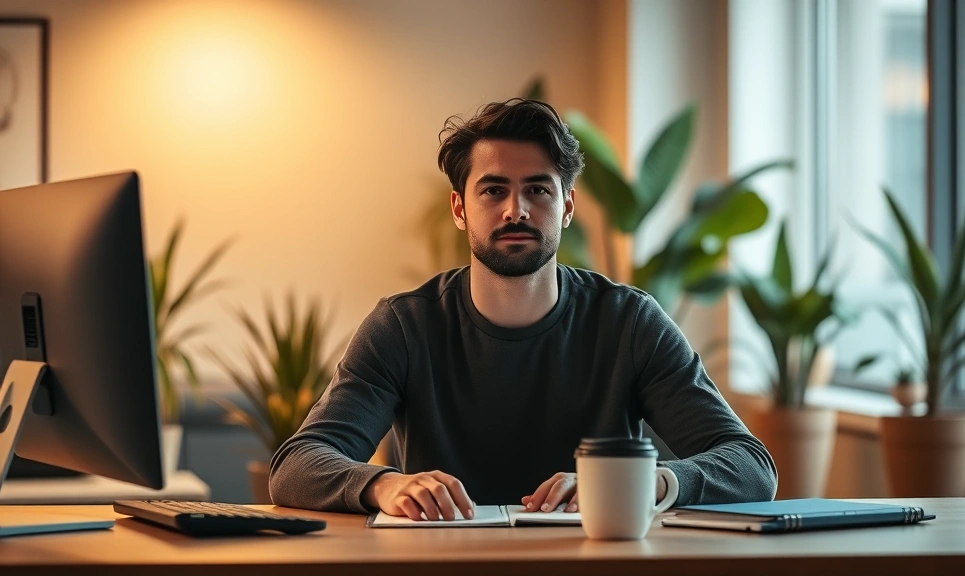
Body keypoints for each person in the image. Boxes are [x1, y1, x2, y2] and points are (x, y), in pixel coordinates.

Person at [269, 99, 777, 521]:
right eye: (494, 190)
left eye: (538, 189)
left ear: (568, 207)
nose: (516, 209)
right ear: (459, 208)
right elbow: (296, 465)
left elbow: (752, 465)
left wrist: (646, 482)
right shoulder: (403, 326)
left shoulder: (630, 323)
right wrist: (384, 486)